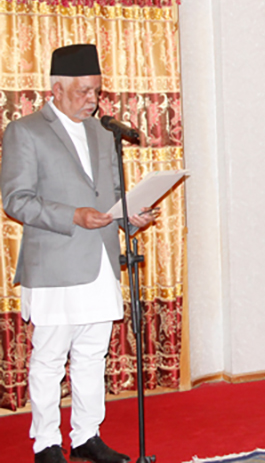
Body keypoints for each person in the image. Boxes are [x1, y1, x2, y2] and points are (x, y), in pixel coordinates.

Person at [1, 44, 156, 463]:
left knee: (92, 354)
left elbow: (113, 194)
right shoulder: (25, 131)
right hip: (55, 264)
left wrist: (131, 216)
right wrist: (73, 216)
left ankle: (87, 436)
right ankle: (46, 443)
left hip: (100, 263)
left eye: (97, 91)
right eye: (84, 91)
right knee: (50, 357)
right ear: (57, 89)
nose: (93, 99)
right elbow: (16, 200)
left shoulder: (103, 134)